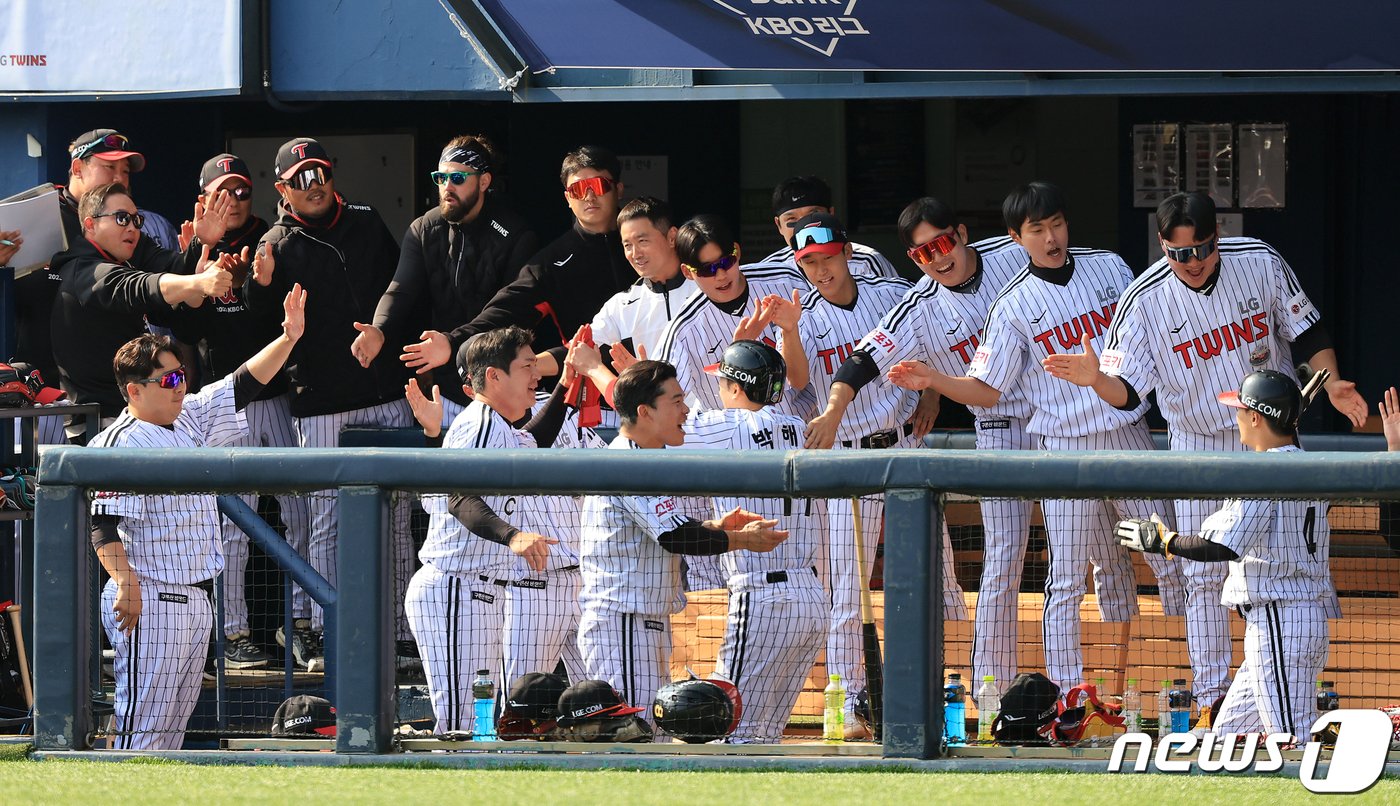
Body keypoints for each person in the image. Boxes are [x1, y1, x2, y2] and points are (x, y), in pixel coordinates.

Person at [1042, 191, 1365, 708]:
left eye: (1201, 250)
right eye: (1177, 253)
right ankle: (1214, 698)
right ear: (1162, 247)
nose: (1191, 263)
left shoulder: (1258, 260)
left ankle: (1308, 688)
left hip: (1271, 439)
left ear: (1218, 238)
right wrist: (1097, 379)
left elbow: (1307, 330)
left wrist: (1332, 384)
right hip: (1197, 442)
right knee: (1203, 574)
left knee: (1298, 559)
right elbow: (1128, 392)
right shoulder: (1143, 299)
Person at [888, 182, 1184, 693]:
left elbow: (1154, 334)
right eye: (1037, 230)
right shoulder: (1011, 304)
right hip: (1064, 450)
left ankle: (1192, 682)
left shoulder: (1111, 268)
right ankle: (1070, 693)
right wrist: (934, 381)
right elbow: (986, 389)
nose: (1050, 238)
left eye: (1056, 225)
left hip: (1126, 434)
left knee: (1169, 557)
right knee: (1065, 579)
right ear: (1014, 238)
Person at [809, 197, 1031, 692]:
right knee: (1001, 560)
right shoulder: (918, 304)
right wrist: (833, 410)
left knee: (1097, 554)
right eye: (922, 255)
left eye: (943, 243)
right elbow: (860, 362)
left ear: (962, 231)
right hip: (995, 423)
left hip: (1056, 419)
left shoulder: (1014, 255)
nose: (938, 259)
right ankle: (988, 691)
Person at [769, 211, 965, 734]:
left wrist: (931, 392)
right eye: (809, 262)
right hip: (846, 460)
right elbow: (797, 387)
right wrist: (788, 333)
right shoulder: (800, 314)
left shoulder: (889, 295)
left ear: (847, 252)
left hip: (902, 450)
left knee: (937, 577)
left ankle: (949, 689)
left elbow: (930, 345)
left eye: (827, 259)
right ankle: (848, 704)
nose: (820, 271)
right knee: (846, 591)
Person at [90, 282, 306, 750]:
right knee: (142, 720)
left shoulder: (186, 415)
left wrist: (288, 339)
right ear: (134, 390)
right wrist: (125, 581)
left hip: (196, 599)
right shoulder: (121, 441)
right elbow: (102, 523)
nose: (179, 385)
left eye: (181, 376)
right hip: (148, 595)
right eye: (167, 380)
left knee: (172, 729)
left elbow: (242, 384)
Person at [246, 137, 415, 668]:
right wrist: (262, 286)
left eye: (318, 173)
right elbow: (257, 326)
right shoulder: (275, 242)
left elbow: (401, 289)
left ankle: (403, 628)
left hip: (386, 391)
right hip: (322, 401)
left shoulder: (366, 220)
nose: (312, 185)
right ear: (283, 189)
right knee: (327, 518)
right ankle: (319, 627)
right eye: (300, 179)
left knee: (398, 514)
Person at [1117, 370, 1337, 743]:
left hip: (1280, 622)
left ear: (1256, 417)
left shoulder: (1263, 474)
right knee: (1225, 737)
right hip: (1292, 619)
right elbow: (1285, 447)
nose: (1235, 417)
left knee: (1291, 742)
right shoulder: (1308, 466)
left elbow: (1222, 546)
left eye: (1241, 410)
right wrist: (1290, 413)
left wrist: (1165, 541)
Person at [576, 360, 789, 721]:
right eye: (676, 401)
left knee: (649, 736)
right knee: (633, 737)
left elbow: (669, 530)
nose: (686, 410)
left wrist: (715, 525)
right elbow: (676, 537)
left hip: (642, 622)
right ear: (645, 412)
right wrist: (739, 539)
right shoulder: (629, 462)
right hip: (623, 622)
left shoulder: (648, 459)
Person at [167, 153, 309, 671]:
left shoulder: (272, 238)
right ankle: (231, 635)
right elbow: (176, 330)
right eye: (223, 192)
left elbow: (283, 322)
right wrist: (199, 262)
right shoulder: (191, 248)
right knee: (229, 522)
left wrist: (259, 285)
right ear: (204, 197)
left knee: (301, 513)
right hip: (220, 400)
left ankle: (303, 625)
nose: (235, 202)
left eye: (242, 192)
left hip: (275, 396)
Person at [404, 326, 584, 733]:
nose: (537, 374)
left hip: (485, 591)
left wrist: (567, 387)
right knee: (461, 724)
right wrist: (513, 535)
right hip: (454, 587)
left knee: (484, 725)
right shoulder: (480, 422)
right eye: (526, 367)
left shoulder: (501, 424)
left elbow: (534, 441)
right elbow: (457, 497)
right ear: (494, 377)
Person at [17, 129, 230, 443]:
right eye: (110, 166)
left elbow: (160, 275)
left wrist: (200, 250)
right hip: (49, 396)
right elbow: (137, 285)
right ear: (77, 168)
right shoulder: (36, 215)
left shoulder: (124, 232)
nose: (120, 177)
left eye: (125, 171)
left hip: (117, 403)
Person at [399, 145, 634, 381]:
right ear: (567, 199)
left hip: (661, 393)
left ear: (619, 189)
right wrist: (452, 342)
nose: (589, 196)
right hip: (591, 403)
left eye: (598, 186)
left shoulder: (648, 240)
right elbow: (503, 313)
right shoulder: (550, 262)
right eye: (577, 189)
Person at [353, 135, 538, 425]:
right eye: (441, 177)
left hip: (502, 394)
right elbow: (400, 291)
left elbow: (508, 312)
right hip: (446, 393)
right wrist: (379, 329)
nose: (447, 187)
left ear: (484, 181)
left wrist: (452, 342)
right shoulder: (425, 228)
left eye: (458, 178)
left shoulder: (515, 235)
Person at [51, 184, 235, 430]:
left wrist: (197, 270)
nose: (132, 228)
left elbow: (184, 328)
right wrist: (196, 282)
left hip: (134, 414)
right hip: (101, 424)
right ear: (91, 224)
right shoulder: (80, 269)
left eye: (136, 220)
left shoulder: (122, 262)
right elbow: (137, 286)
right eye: (121, 218)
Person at [654, 215, 811, 418]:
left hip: (802, 431)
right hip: (737, 443)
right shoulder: (683, 330)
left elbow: (803, 378)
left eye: (726, 262)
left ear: (737, 252)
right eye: (706, 269)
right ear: (687, 272)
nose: (720, 275)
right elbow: (661, 404)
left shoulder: (786, 281)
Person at [537, 197, 695, 380]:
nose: (635, 254)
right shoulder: (621, 305)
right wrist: (526, 366)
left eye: (642, 241)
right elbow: (576, 351)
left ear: (672, 237)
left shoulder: (709, 283)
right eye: (627, 245)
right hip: (656, 407)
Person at [761, 175, 898, 279]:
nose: (804, 227)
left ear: (831, 214)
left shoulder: (866, 262)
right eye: (792, 219)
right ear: (778, 225)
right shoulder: (767, 272)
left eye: (813, 215)